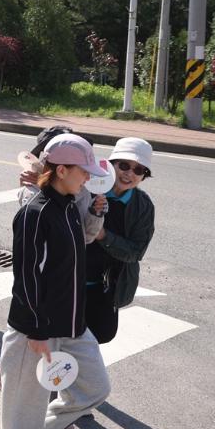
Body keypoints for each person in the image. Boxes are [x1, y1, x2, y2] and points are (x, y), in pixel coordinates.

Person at [0, 133, 111, 429]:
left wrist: (97, 214)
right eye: (84, 170)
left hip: (73, 325)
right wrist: (36, 330)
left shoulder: (71, 208)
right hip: (34, 332)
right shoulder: (34, 213)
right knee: (21, 422)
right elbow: (26, 277)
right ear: (61, 170)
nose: (89, 177)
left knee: (96, 387)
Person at [87, 137, 156, 344]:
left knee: (101, 335)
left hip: (105, 287)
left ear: (143, 176)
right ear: (111, 164)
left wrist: (102, 235)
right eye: (124, 165)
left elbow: (135, 252)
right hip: (67, 282)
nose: (129, 173)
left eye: (139, 170)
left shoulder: (143, 206)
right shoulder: (86, 187)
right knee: (57, 339)